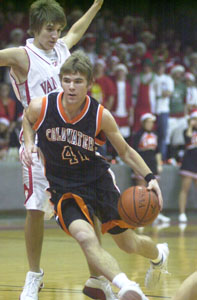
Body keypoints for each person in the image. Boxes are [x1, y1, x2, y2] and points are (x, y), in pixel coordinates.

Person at [23, 50, 170, 300]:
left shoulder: (100, 114)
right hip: (63, 187)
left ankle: (158, 255)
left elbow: (124, 150)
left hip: (97, 182)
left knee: (128, 243)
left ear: (90, 84)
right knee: (85, 236)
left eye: (78, 81)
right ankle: (126, 287)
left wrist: (150, 177)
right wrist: (28, 143)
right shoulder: (43, 106)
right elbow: (27, 118)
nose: (71, 86)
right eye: (67, 80)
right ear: (61, 80)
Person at [0, 0, 105, 299]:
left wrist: (96, 6)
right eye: (50, 29)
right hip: (38, 141)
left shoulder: (61, 48)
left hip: (71, 137)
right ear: (35, 28)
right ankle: (34, 274)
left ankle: (97, 276)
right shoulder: (21, 55)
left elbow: (77, 30)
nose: (56, 35)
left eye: (58, 29)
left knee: (90, 207)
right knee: (35, 209)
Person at [132, 113, 170, 224]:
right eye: (148, 122)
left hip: (153, 164)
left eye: (152, 122)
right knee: (141, 192)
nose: (150, 124)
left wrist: (159, 164)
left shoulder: (155, 134)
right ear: (143, 123)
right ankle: (140, 215)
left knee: (155, 191)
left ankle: (156, 214)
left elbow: (158, 151)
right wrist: (135, 167)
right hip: (141, 163)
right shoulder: (138, 135)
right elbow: (133, 151)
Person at [178, 110, 197, 223]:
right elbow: (188, 138)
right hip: (189, 163)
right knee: (185, 188)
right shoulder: (187, 131)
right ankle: (182, 213)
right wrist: (190, 125)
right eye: (194, 120)